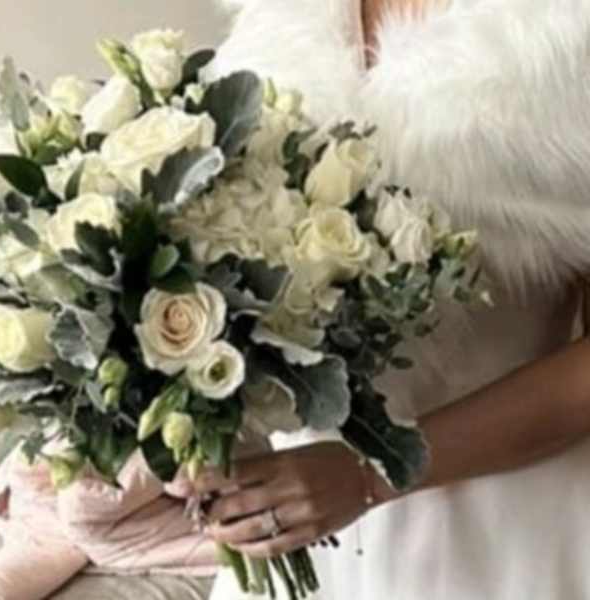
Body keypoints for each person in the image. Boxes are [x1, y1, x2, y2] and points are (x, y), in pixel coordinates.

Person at [203, 1, 590, 599]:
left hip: (498, 525)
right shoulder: (275, 18)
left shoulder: (565, 38)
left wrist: (371, 473)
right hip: (289, 518)